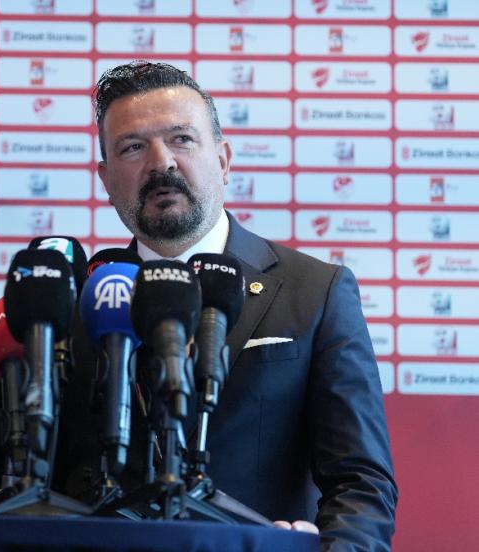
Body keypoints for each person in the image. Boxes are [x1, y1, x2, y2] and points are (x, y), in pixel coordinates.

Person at [59, 61, 397, 550]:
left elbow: (362, 483)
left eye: (181, 139)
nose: (161, 163)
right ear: (106, 178)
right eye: (133, 147)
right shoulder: (76, 304)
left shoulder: (315, 291)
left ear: (222, 159)